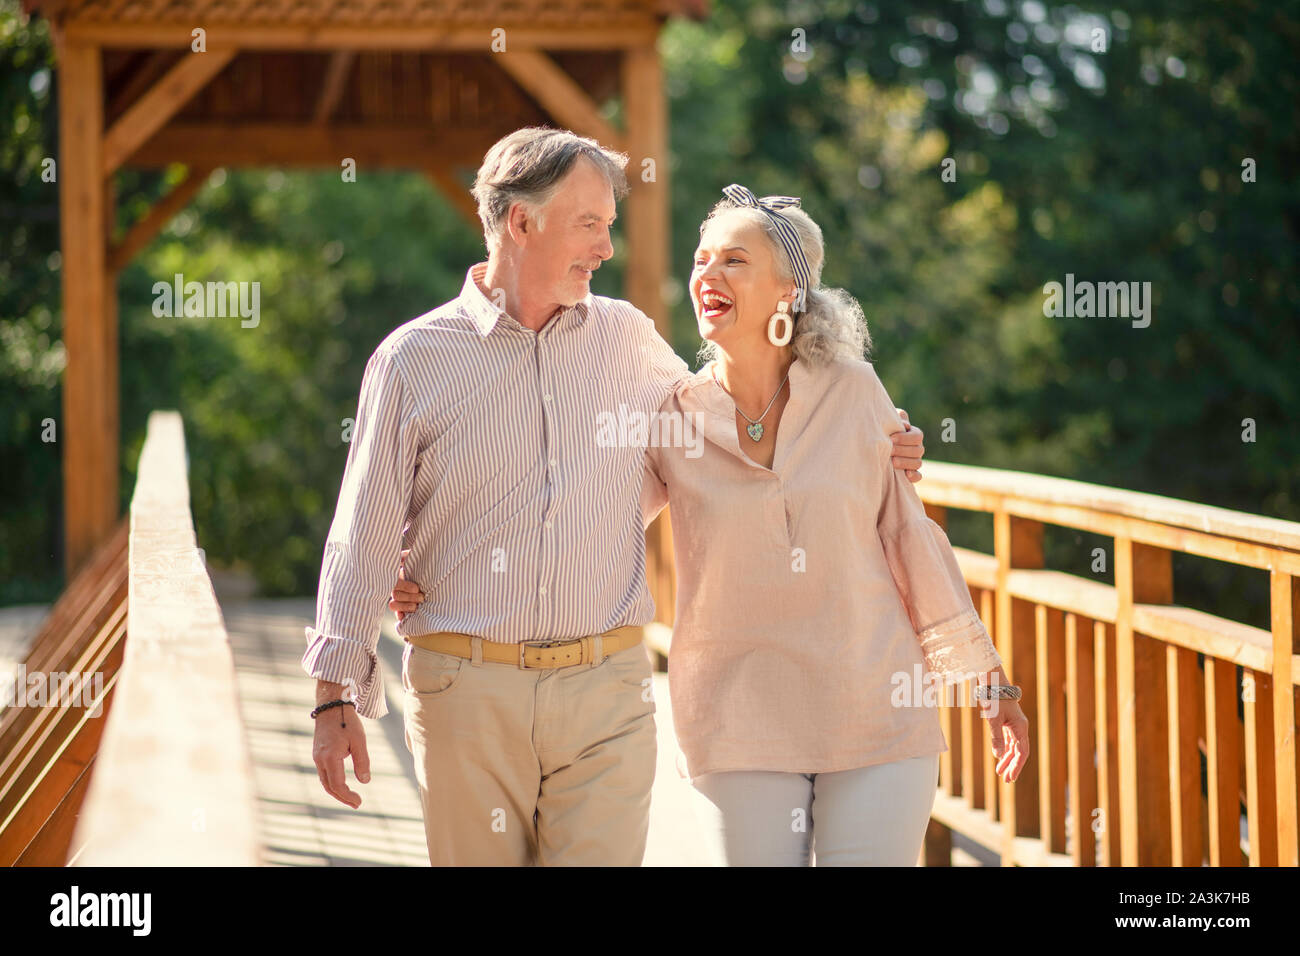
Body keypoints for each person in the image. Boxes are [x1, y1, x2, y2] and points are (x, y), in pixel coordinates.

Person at [303, 128, 928, 866]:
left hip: (606, 691)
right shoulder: (413, 358)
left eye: (608, 225)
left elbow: (730, 421)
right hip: (465, 692)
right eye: (589, 224)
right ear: (522, 222)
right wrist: (333, 693)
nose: (606, 247)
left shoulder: (627, 338)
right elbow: (362, 532)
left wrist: (867, 435)